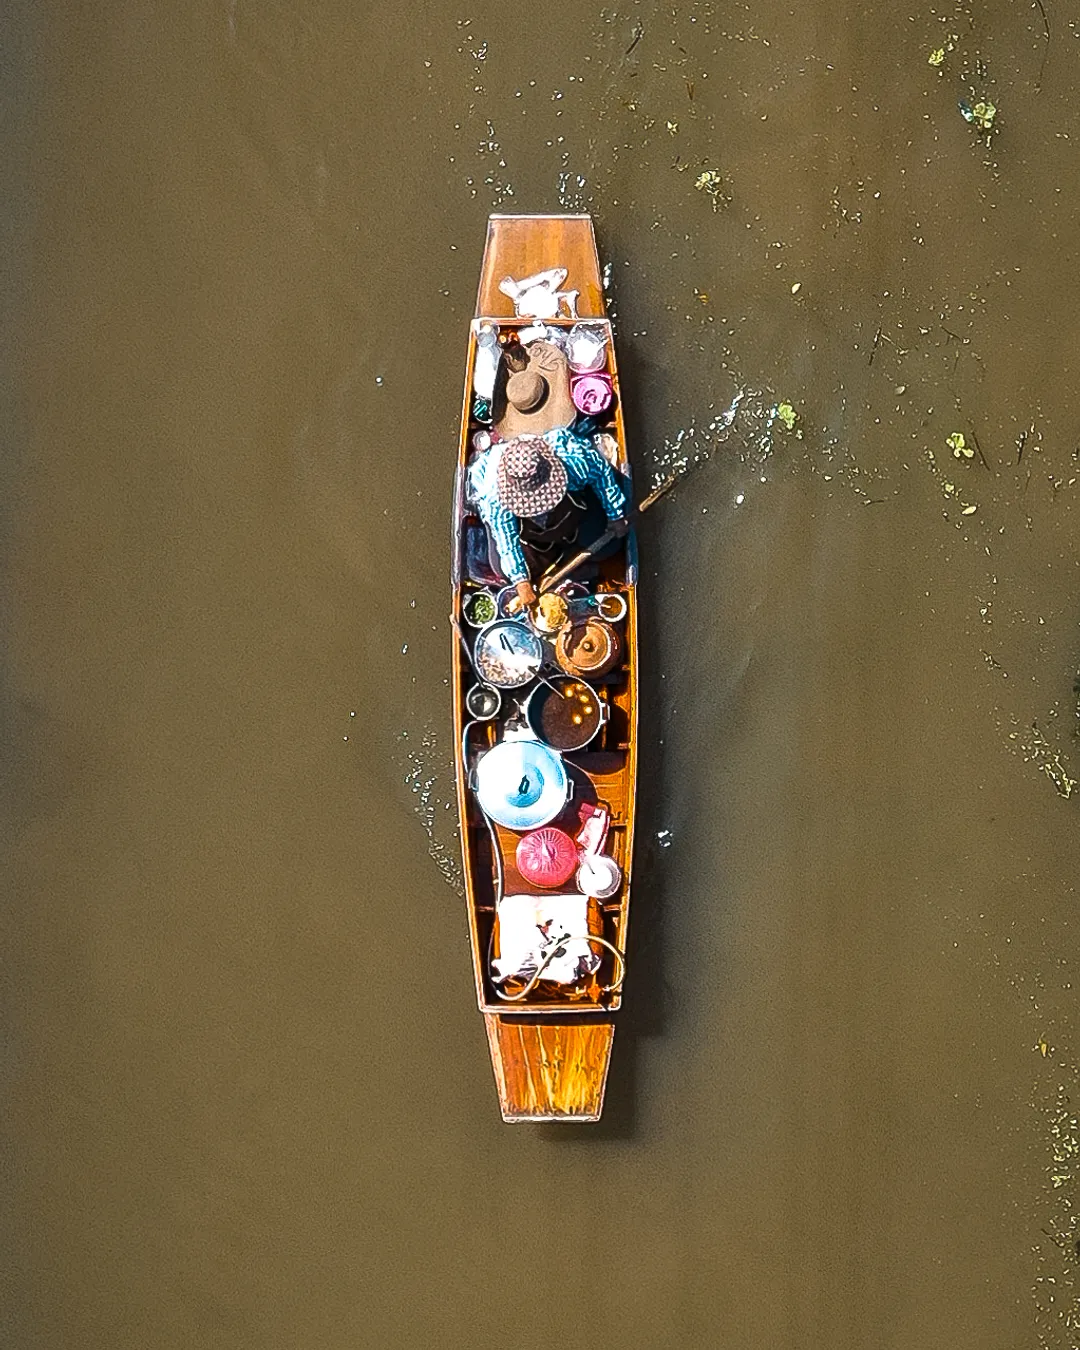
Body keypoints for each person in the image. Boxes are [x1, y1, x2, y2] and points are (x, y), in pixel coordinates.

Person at [467, 419, 629, 610]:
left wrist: (615, 514)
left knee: (611, 544)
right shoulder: (495, 495)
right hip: (535, 537)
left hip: (572, 516)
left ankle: (569, 559)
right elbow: (506, 539)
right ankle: (566, 561)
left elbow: (601, 474)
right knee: (501, 569)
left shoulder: (569, 457)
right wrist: (521, 580)